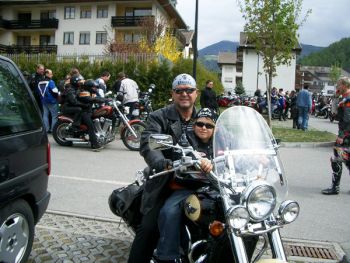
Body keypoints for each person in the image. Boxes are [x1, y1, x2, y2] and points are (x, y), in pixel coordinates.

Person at [128, 73, 200, 263]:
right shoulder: (159, 117)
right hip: (167, 181)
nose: (184, 94)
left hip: (200, 180)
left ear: (196, 93)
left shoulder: (204, 118)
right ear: (173, 93)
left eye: (189, 90)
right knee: (149, 228)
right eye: (179, 90)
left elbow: (221, 140)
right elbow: (149, 144)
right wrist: (162, 163)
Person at [155, 108, 216, 263]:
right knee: (169, 211)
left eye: (209, 125)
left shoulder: (221, 142)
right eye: (200, 123)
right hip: (189, 187)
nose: (204, 128)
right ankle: (167, 256)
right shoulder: (185, 139)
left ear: (215, 128)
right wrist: (197, 159)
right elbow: (182, 153)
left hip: (216, 187)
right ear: (194, 125)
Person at [322, 77, 350, 195]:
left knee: (336, 158)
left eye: (338, 85)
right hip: (346, 133)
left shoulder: (348, 99)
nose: (337, 87)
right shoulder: (343, 98)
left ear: (344, 85)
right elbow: (335, 113)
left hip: (346, 134)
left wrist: (341, 135)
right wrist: (335, 98)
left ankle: (335, 187)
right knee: (348, 159)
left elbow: (347, 119)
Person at [77, 79, 106, 151]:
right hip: (83, 113)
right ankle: (95, 145)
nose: (95, 89)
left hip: (89, 111)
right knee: (91, 127)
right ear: (89, 87)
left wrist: (106, 99)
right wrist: (103, 100)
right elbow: (91, 99)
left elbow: (96, 98)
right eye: (93, 87)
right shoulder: (83, 93)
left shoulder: (90, 92)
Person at [38, 69, 59, 133]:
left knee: (45, 115)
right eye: (51, 73)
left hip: (43, 101)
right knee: (54, 116)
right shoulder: (51, 81)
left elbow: (38, 92)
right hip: (52, 101)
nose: (52, 75)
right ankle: (53, 130)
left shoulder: (40, 82)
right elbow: (55, 91)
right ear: (47, 74)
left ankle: (46, 129)